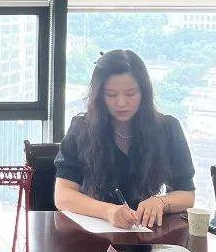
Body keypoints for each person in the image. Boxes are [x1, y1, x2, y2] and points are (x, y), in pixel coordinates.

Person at [54, 49, 195, 228]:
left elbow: (187, 195)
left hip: (147, 233)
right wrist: (108, 211)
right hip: (94, 231)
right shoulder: (82, 129)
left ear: (144, 93)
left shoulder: (167, 128)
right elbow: (63, 196)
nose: (121, 103)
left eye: (131, 94)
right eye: (111, 95)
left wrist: (161, 202)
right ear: (99, 96)